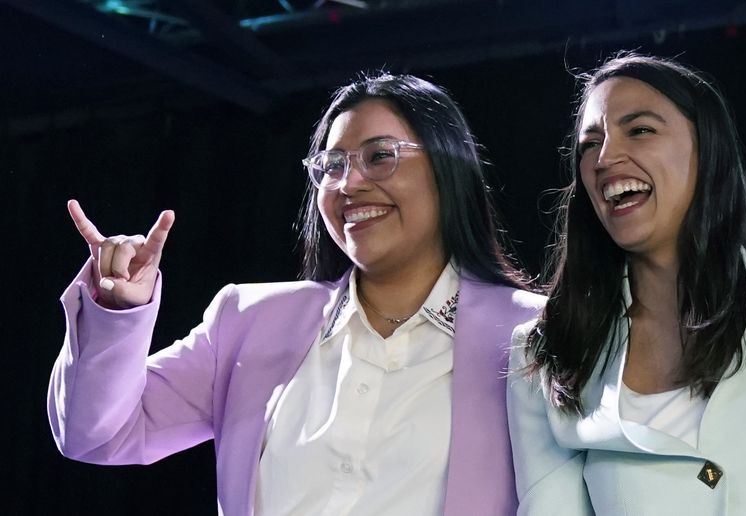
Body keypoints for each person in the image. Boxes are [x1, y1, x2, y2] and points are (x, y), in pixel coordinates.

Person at [49, 73, 545, 515]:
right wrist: (118, 314)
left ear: (447, 170)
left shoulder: (537, 333)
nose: (349, 183)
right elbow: (97, 436)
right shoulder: (249, 320)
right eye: (331, 166)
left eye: (379, 157)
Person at [507, 53, 746, 516]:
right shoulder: (547, 348)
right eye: (590, 144)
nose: (604, 158)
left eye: (640, 129)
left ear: (707, 149)